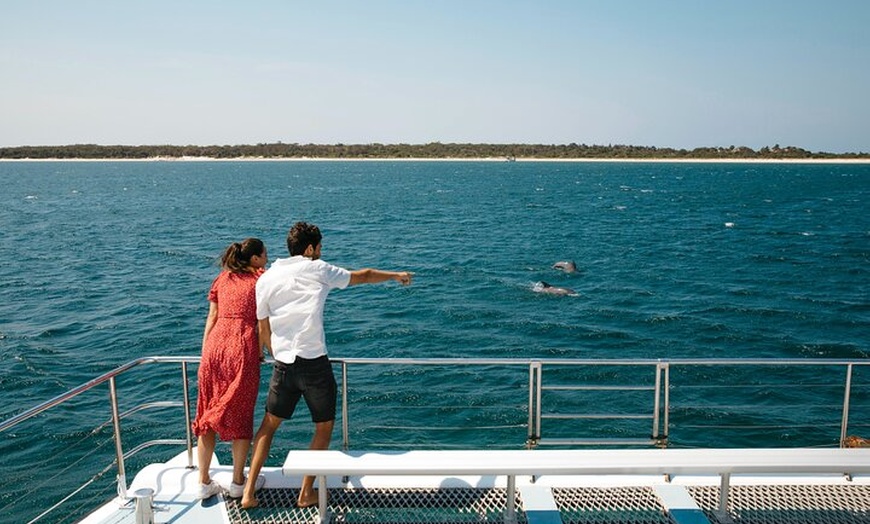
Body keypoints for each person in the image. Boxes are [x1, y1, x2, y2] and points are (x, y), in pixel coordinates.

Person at [241, 222, 412, 509]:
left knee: (268, 426)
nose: (321, 251)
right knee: (323, 427)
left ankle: (248, 493)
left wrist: (275, 354)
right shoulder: (317, 269)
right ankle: (306, 493)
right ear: (309, 249)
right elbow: (363, 276)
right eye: (319, 247)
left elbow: (263, 329)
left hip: (282, 366)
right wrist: (396, 275)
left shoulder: (265, 279)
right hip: (314, 365)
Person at [192, 238, 269, 500]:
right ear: (255, 259)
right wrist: (259, 351)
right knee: (242, 413)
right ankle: (238, 482)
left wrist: (206, 354)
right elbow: (261, 322)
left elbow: (211, 317)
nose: (267, 257)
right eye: (265, 254)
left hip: (214, 347)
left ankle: (204, 482)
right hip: (241, 347)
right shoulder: (260, 280)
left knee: (206, 417)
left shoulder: (222, 279)